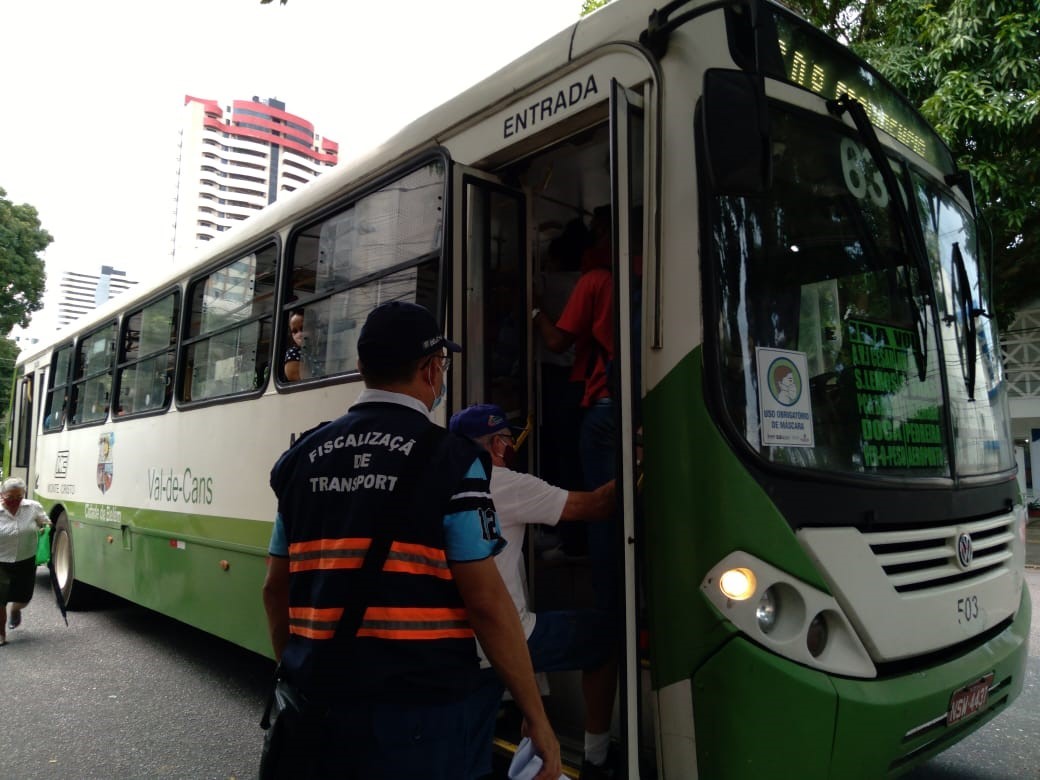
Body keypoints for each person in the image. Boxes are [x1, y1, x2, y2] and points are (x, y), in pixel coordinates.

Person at [262, 301, 560, 779]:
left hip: (319, 708)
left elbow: (275, 589)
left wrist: (301, 672)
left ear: (362, 368)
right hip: (421, 716)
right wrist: (537, 715)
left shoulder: (302, 458)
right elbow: (486, 601)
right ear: (431, 369)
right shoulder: (454, 460)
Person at [449, 403, 618, 778]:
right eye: (510, 439)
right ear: (497, 445)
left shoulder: (441, 482)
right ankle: (598, 758)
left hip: (458, 645)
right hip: (505, 636)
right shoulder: (506, 482)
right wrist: (639, 461)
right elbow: (597, 505)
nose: (513, 447)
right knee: (605, 639)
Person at [0, 477, 51, 645]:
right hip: (1, 560)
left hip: (25, 559)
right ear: (2, 495)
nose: (14, 501)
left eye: (18, 497)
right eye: (10, 497)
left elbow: (45, 521)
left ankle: (16, 609)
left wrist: (45, 527)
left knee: (24, 597)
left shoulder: (33, 507)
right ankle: (1, 634)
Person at [282, 308, 306, 381]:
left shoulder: (324, 349)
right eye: (295, 331)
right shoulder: (292, 354)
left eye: (303, 328)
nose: (299, 334)